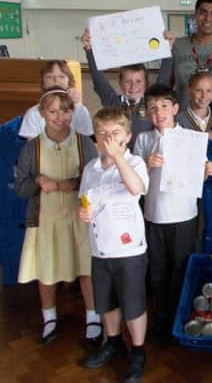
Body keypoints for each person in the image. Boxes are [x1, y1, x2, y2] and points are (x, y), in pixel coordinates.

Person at [15, 89, 100, 346]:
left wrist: (76, 182)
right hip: (46, 219)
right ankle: (49, 317)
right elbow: (20, 187)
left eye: (64, 111)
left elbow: (98, 180)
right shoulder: (33, 148)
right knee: (47, 268)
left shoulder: (84, 143)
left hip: (79, 218)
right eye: (52, 111)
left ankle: (93, 316)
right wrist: (38, 181)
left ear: (72, 112)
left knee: (86, 267)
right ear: (42, 114)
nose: (59, 117)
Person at [134, 84, 212, 344]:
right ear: (147, 112)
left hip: (183, 215)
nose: (159, 113)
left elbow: (196, 181)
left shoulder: (191, 138)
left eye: (165, 106)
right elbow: (135, 183)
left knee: (180, 268)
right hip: (154, 216)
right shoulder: (143, 140)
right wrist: (146, 166)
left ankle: (181, 320)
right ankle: (161, 321)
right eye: (153, 108)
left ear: (176, 109)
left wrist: (205, 171)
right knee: (157, 271)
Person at [78, 107, 149, 382]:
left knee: (132, 302)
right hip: (100, 248)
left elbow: (135, 188)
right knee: (106, 301)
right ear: (95, 137)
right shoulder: (91, 169)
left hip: (129, 250)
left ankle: (139, 351)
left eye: (115, 134)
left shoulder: (135, 163)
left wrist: (119, 157)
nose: (108, 140)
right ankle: (114, 343)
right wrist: (80, 212)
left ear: (127, 137)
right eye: (102, 134)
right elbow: (84, 201)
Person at [80, 28, 161, 149]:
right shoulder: (113, 103)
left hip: (146, 161)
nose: (133, 87)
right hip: (118, 159)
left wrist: (168, 50)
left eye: (139, 81)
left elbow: (164, 79)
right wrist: (89, 50)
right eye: (128, 81)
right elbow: (99, 81)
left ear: (147, 83)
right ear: (120, 83)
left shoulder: (151, 104)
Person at [19, 60, 94, 139]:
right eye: (49, 77)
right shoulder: (33, 113)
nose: (56, 80)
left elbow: (86, 143)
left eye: (61, 76)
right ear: (43, 82)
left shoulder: (80, 110)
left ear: (69, 81)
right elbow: (32, 147)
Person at [176, 68, 212, 136]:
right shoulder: (177, 121)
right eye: (198, 90)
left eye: (208, 91)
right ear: (189, 90)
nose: (204, 96)